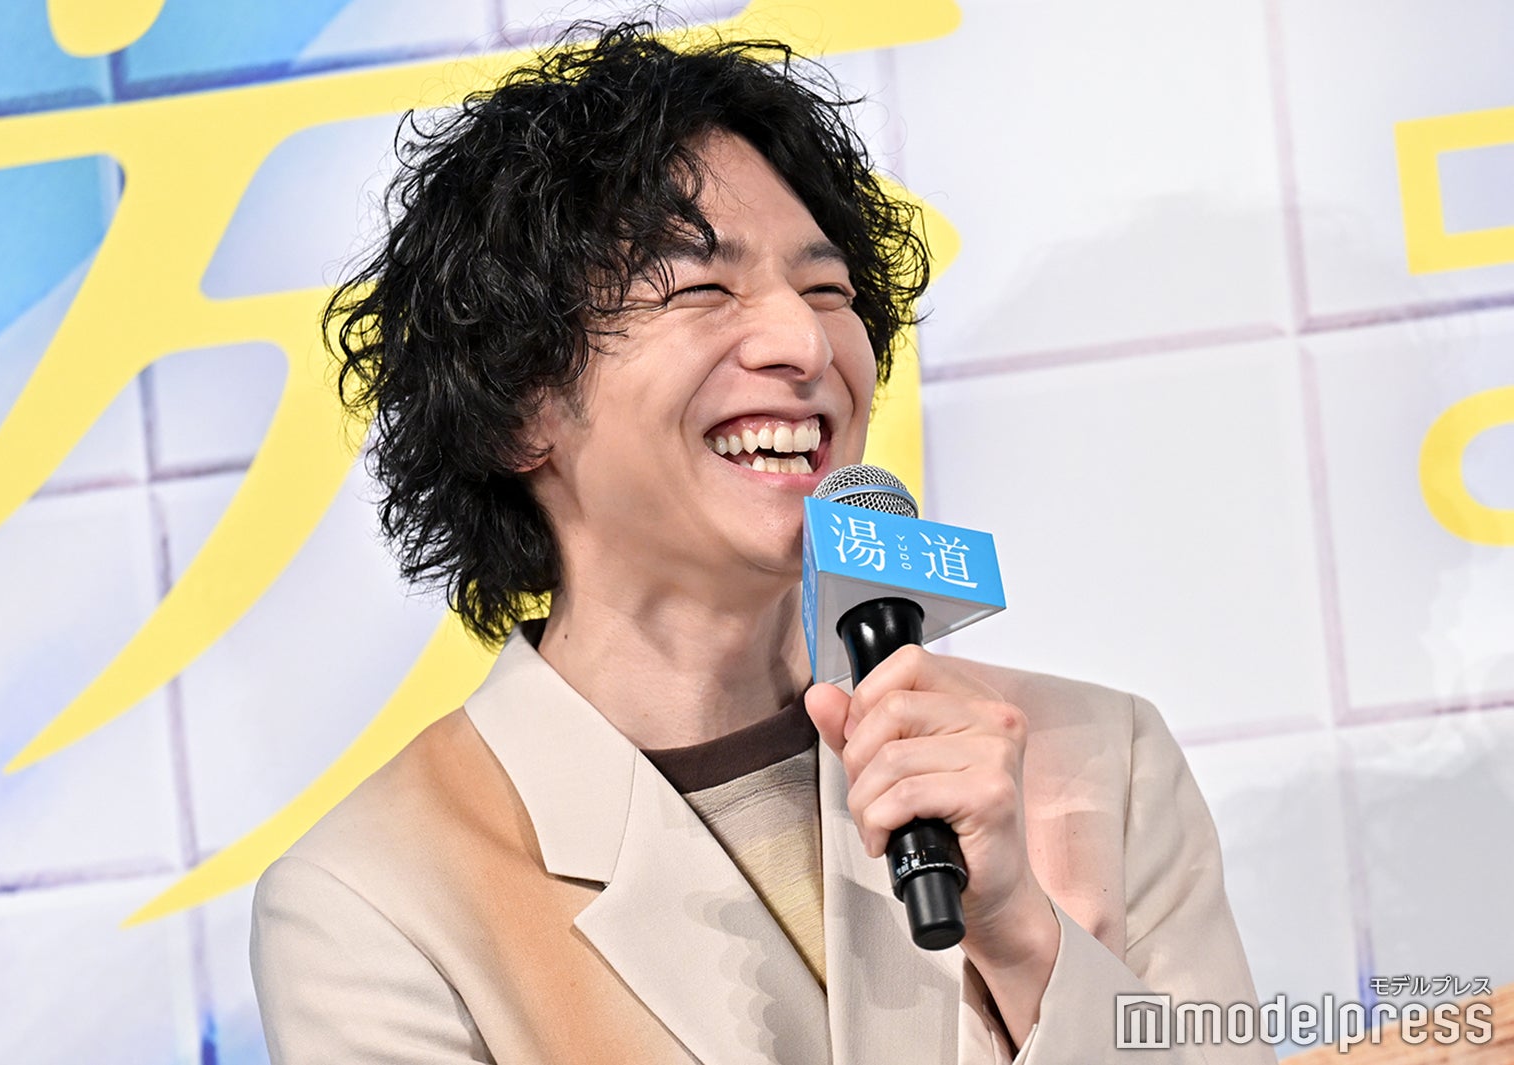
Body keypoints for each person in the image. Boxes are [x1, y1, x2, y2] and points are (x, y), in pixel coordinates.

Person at [250, 22, 1271, 1065]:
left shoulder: (1094, 762)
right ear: (518, 405)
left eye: (827, 291)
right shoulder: (377, 898)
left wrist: (1021, 937)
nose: (804, 343)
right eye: (700, 290)